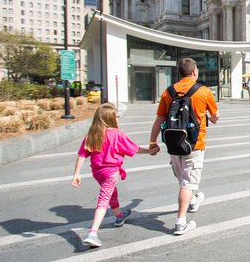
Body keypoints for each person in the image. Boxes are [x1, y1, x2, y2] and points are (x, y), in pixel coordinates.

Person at [72, 103, 159, 247]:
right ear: (111, 118)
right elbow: (134, 149)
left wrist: (76, 173)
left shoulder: (92, 134)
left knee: (112, 193)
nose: (118, 118)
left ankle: (119, 216)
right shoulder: (117, 134)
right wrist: (150, 151)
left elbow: (82, 154)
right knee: (103, 200)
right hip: (111, 171)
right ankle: (93, 233)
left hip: (97, 171)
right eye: (116, 116)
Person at [149, 58, 219, 236]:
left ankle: (193, 200)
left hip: (173, 143)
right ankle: (181, 221)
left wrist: (152, 142)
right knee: (187, 183)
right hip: (195, 144)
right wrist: (209, 118)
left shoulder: (168, 92)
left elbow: (159, 119)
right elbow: (215, 116)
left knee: (183, 179)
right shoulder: (203, 92)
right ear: (194, 72)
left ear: (178, 73)